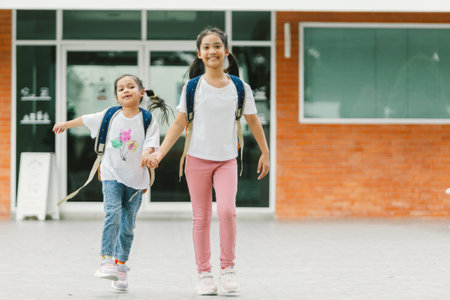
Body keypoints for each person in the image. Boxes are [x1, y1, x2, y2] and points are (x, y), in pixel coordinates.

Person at [143, 27, 270, 295]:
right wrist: (160, 153)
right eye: (207, 47)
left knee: (227, 212)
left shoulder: (239, 86)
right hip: (197, 160)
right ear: (199, 54)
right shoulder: (192, 87)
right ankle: (204, 274)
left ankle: (228, 269)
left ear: (226, 51)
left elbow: (253, 121)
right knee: (201, 218)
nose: (212, 51)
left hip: (226, 160)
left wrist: (265, 152)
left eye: (217, 46)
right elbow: (179, 124)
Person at [53, 74, 169, 292]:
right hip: (110, 175)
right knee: (112, 213)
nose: (126, 90)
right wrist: (65, 124)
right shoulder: (110, 115)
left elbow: (151, 145)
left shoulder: (147, 119)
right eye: (121, 88)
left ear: (141, 92)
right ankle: (106, 259)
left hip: (136, 181)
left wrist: (147, 155)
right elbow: (86, 119)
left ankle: (121, 266)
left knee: (128, 227)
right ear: (116, 96)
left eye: (131, 87)